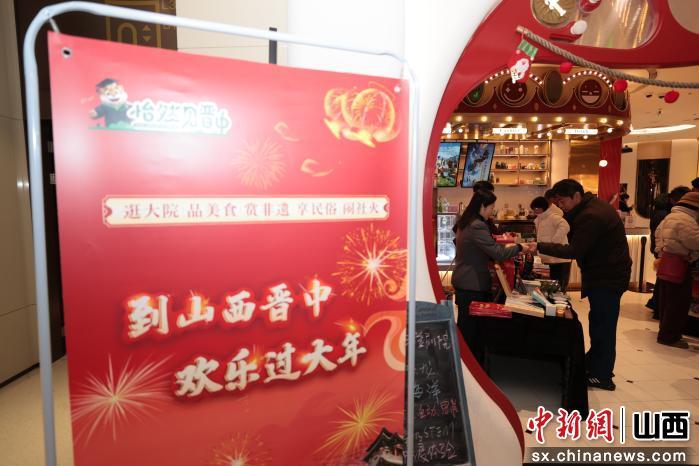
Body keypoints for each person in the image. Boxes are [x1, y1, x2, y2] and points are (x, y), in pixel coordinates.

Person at [535, 179, 631, 391]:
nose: (561, 206)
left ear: (576, 196)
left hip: (607, 277)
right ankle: (594, 365)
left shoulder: (591, 215)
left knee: (603, 327)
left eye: (563, 201)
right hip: (604, 274)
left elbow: (574, 250)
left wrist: (538, 246)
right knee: (598, 323)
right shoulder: (590, 208)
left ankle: (602, 376)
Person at [451, 190, 533, 358]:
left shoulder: (466, 221)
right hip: (472, 282)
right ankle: (468, 362)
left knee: (467, 326)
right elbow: (498, 253)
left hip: (464, 280)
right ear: (483, 206)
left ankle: (467, 361)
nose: (492, 211)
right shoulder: (477, 225)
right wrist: (519, 247)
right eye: (491, 207)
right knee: (471, 330)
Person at [654, 191, 699, 348]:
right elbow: (695, 242)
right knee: (678, 303)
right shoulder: (687, 221)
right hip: (680, 264)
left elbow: (657, 236)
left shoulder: (669, 217)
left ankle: (665, 331)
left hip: (666, 263)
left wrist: (662, 253)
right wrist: (692, 255)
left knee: (667, 301)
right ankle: (669, 336)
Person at [647, 186, 691, 316]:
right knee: (666, 284)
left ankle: (657, 308)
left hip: (663, 252)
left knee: (663, 281)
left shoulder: (661, 214)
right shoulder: (666, 215)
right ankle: (658, 309)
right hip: (669, 254)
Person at [530, 196, 572, 292]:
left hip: (560, 259)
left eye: (535, 208)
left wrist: (554, 243)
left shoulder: (553, 217)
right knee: (550, 289)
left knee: (559, 290)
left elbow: (565, 226)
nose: (534, 211)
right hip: (548, 259)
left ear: (541, 208)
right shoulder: (539, 220)